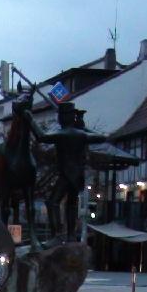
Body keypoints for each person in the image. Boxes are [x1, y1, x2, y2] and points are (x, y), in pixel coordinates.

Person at [37, 102, 108, 243]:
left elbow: (42, 137)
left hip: (65, 174)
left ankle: (56, 235)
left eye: (60, 116)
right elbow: (101, 137)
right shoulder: (81, 134)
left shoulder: (62, 133)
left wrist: (29, 118)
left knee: (52, 202)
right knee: (71, 204)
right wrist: (83, 128)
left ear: (63, 117)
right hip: (78, 175)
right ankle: (70, 235)